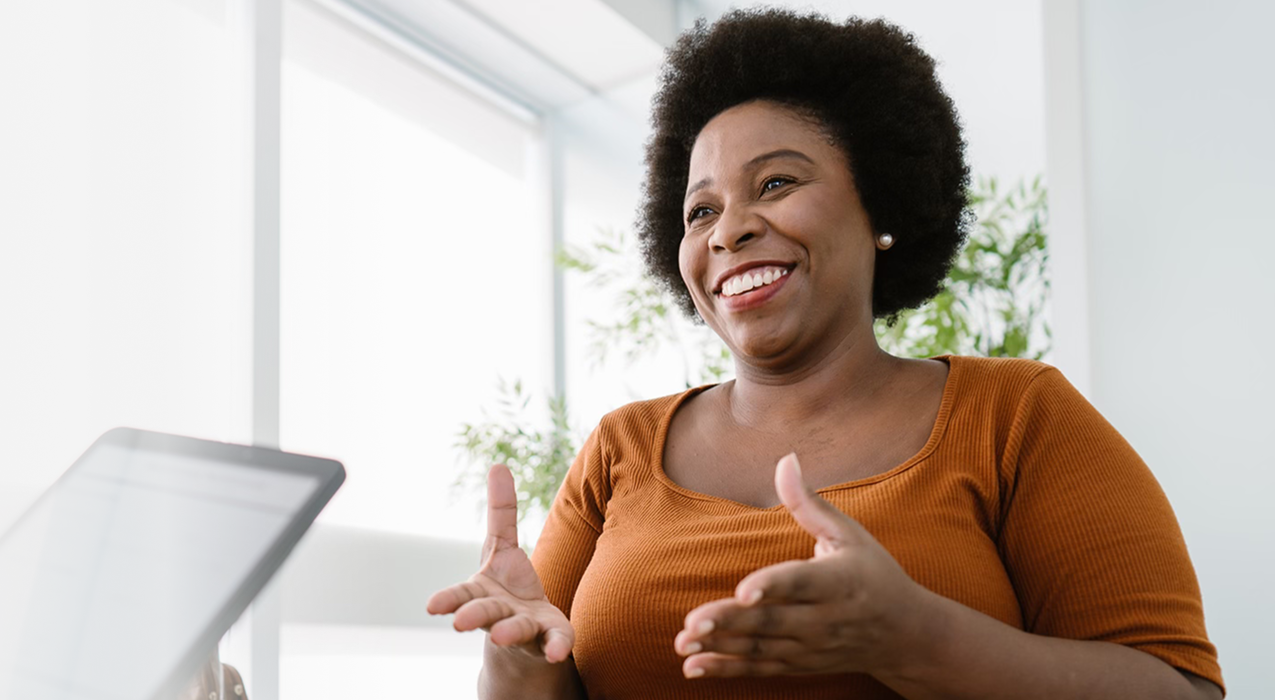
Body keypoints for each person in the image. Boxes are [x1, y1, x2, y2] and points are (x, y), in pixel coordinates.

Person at [427, 8, 1223, 699]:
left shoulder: (1017, 417)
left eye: (774, 184)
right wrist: (520, 663)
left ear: (881, 201)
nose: (727, 229)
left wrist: (912, 638)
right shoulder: (619, 450)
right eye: (700, 209)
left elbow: (1176, 688)